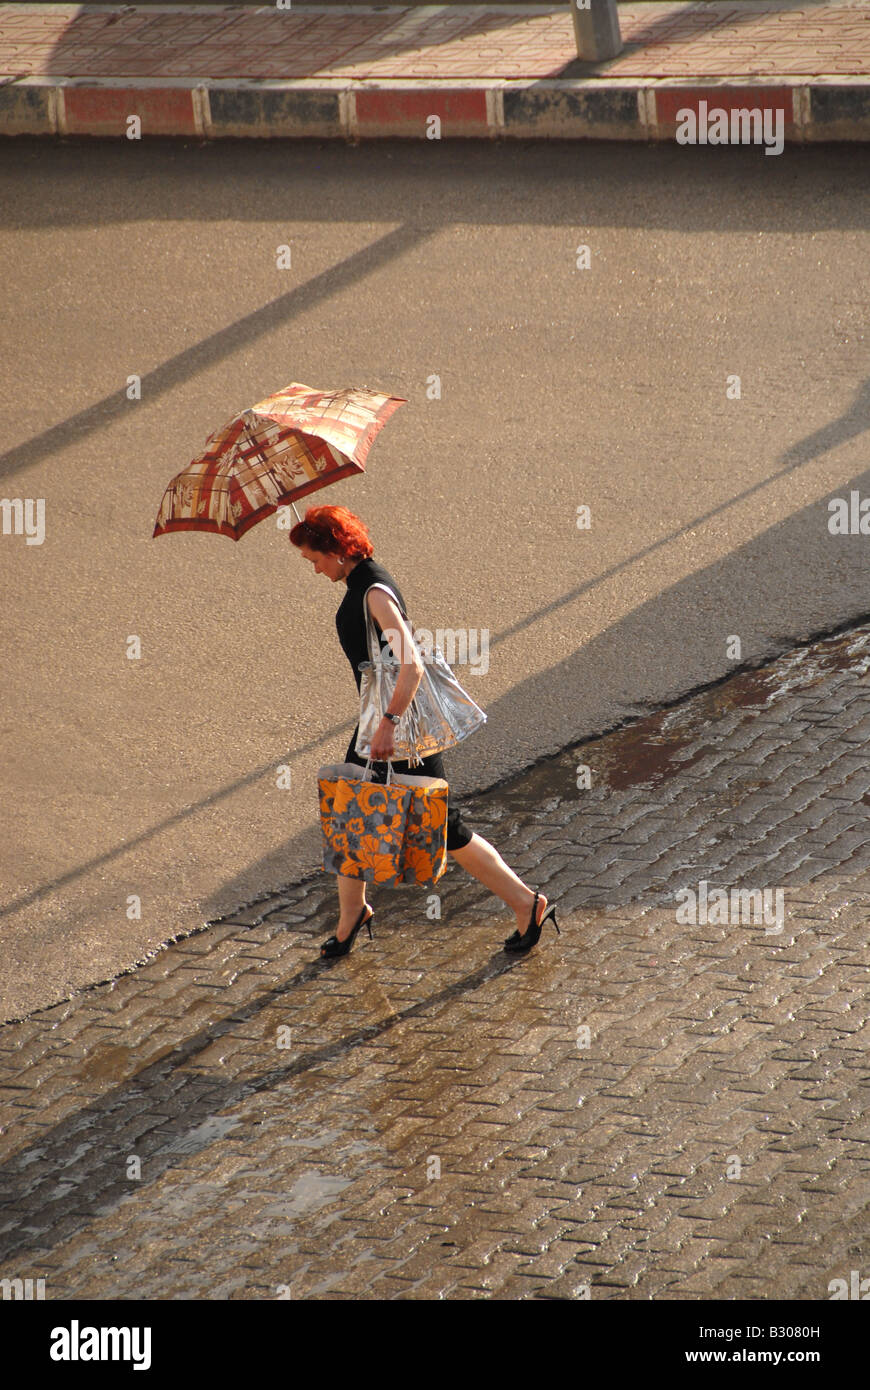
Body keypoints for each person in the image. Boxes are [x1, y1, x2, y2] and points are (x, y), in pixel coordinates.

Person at [290, 504, 560, 960]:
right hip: (381, 724)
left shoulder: (373, 593)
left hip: (396, 730)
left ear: (336, 550)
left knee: (440, 826)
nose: (314, 569)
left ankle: (526, 903)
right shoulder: (366, 582)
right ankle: (351, 914)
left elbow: (411, 666)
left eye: (314, 558)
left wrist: (388, 725)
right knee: (351, 809)